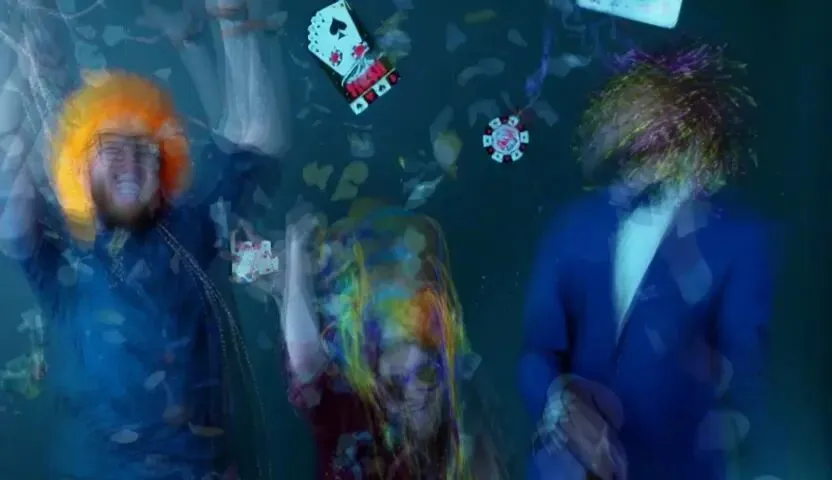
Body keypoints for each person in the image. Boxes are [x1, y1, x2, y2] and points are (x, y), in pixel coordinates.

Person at [0, 3, 289, 478]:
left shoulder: (192, 227)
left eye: (145, 150)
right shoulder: (64, 253)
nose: (131, 162)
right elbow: (9, 186)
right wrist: (24, 58)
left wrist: (232, 20)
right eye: (111, 149)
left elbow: (258, 141)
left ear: (165, 166)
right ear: (79, 169)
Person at [519, 42, 778, 480]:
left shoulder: (742, 238)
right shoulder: (574, 225)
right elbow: (538, 350)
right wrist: (558, 404)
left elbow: (750, 378)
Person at [264, 205, 504, 479]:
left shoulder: (465, 431)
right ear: (377, 387)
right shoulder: (355, 420)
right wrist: (295, 260)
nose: (416, 391)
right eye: (396, 385)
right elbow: (307, 363)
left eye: (426, 373)